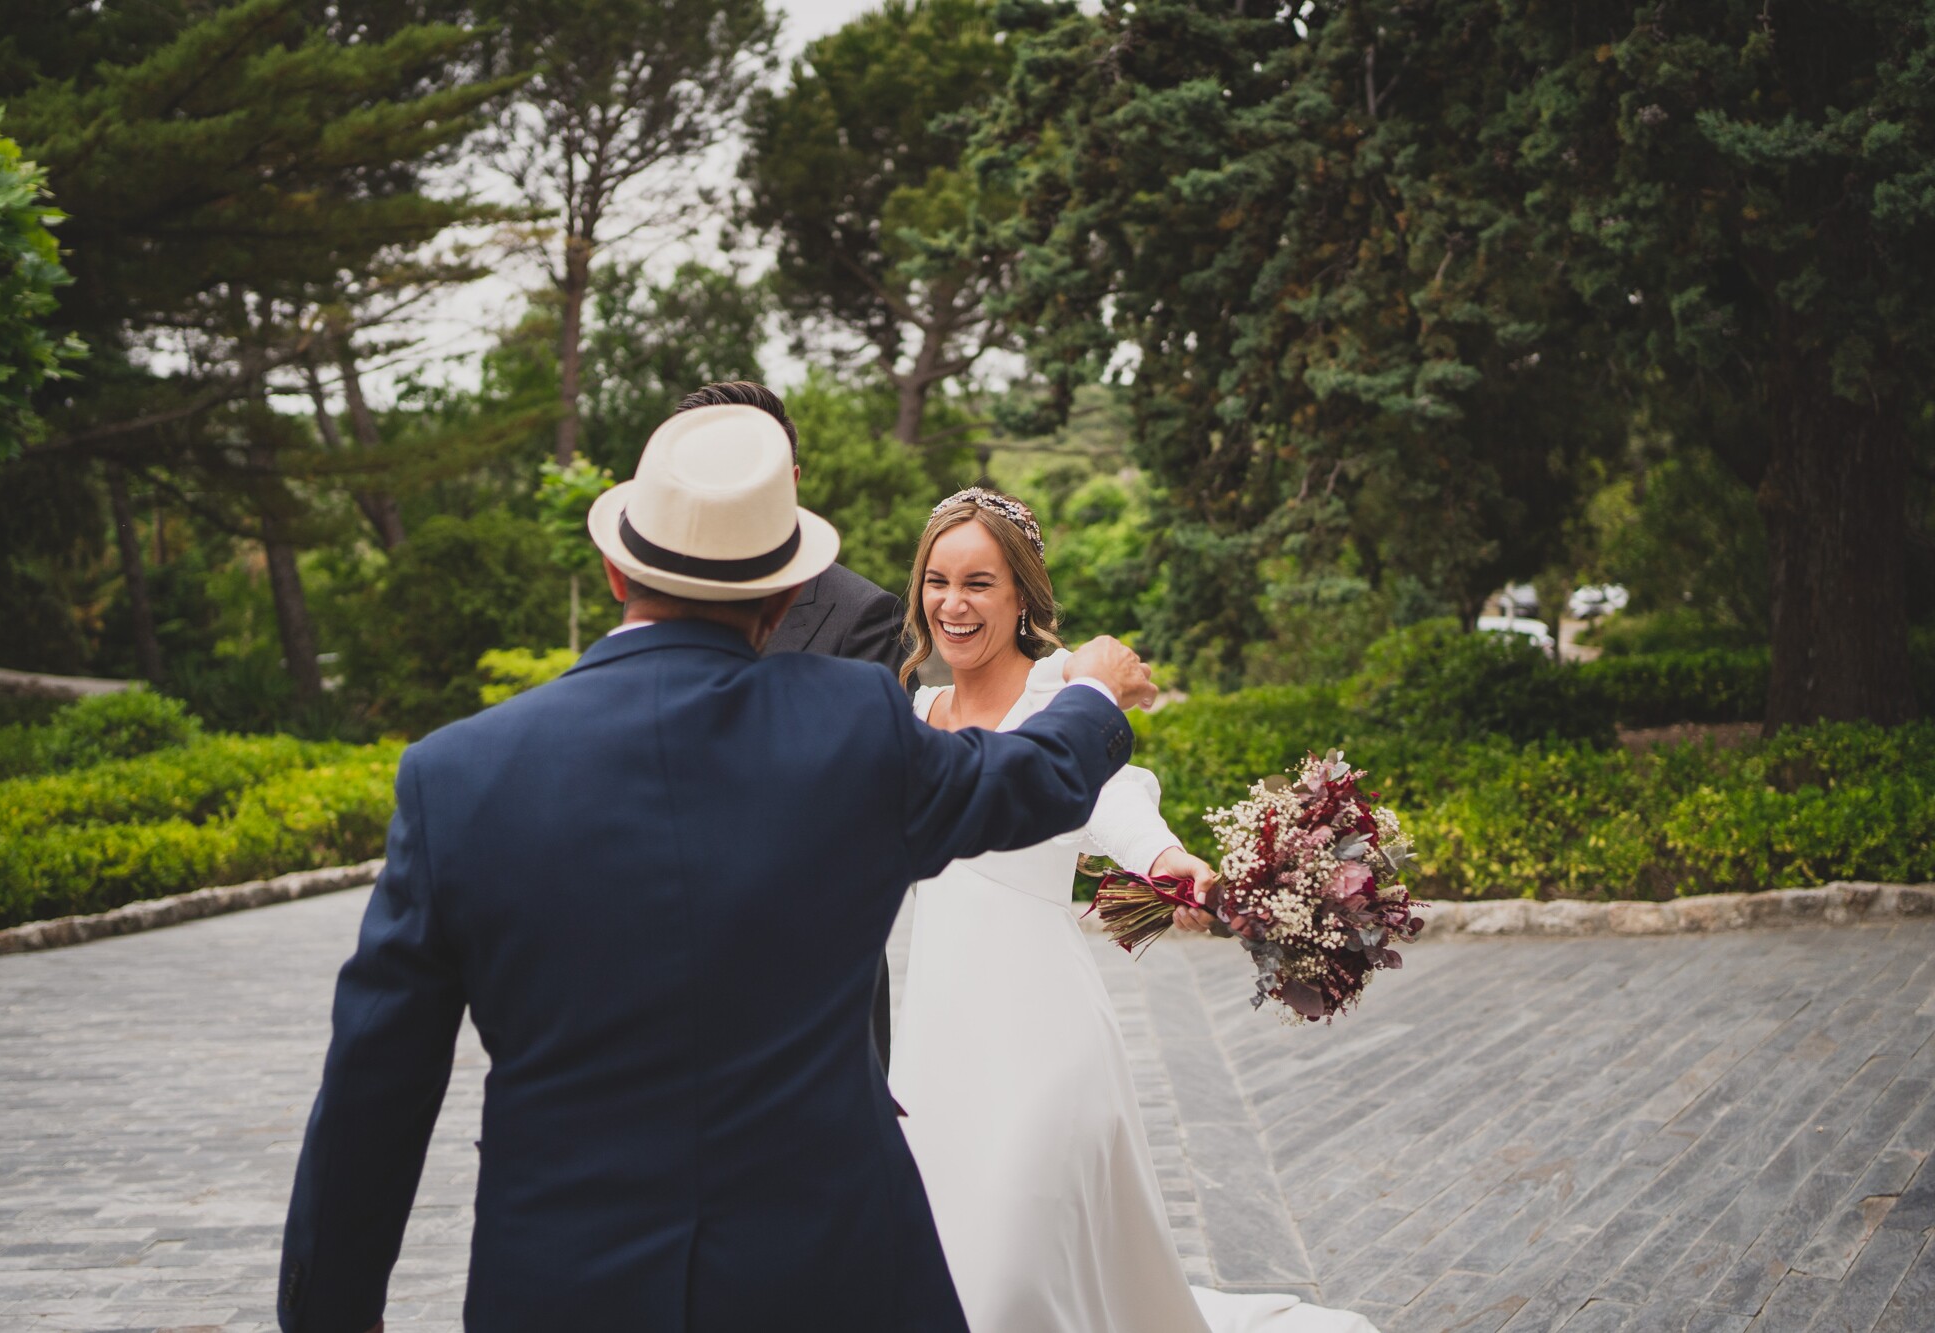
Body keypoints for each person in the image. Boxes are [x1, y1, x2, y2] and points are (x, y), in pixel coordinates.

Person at [276, 408, 1160, 1333]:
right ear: (783, 597)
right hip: (831, 1277)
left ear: (616, 568)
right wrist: (1091, 687)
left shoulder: (454, 777)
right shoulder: (854, 729)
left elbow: (371, 1102)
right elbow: (1033, 780)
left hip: (562, 1283)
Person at [888, 487, 1381, 1333]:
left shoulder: (1057, 700)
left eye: (979, 583)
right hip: (935, 1033)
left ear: (1021, 600)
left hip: (1042, 1029)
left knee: (1014, 1273)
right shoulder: (912, 714)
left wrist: (1169, 862)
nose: (952, 604)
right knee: (950, 1260)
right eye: (937, 581)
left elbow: (1111, 800)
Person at [672, 381, 909, 1070]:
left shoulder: (862, 613)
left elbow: (860, 806)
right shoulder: (657, 601)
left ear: (793, 478)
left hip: (812, 982)